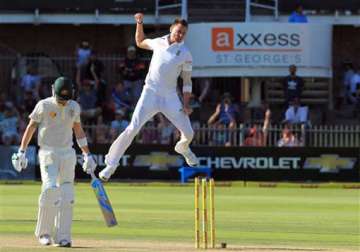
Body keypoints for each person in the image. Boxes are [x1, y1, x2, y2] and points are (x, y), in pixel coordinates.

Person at [99, 13, 199, 181]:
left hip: (170, 97)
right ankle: (111, 165)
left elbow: (187, 81)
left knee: (188, 133)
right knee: (132, 128)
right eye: (178, 31)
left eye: (183, 33)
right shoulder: (158, 42)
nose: (180, 35)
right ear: (171, 29)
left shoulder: (185, 53)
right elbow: (139, 42)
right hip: (150, 93)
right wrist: (139, 23)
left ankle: (183, 147)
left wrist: (186, 103)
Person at [11, 77, 97, 247]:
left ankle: (63, 237)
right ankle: (44, 233)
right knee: (50, 190)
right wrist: (22, 151)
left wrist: (88, 155)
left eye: (66, 100)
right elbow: (31, 127)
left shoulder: (74, 107)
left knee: (67, 194)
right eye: (60, 99)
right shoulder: (43, 105)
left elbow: (78, 131)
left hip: (67, 153)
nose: (63, 103)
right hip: (48, 152)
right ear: (53, 91)